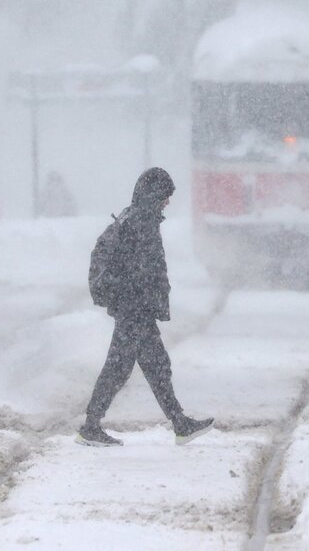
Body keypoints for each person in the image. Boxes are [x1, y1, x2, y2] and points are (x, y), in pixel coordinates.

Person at [77, 168, 213, 446]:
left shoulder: (137, 218)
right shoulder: (141, 222)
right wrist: (145, 299)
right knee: (120, 367)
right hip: (134, 309)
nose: (168, 202)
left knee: (155, 365)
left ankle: (180, 423)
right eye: (165, 196)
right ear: (154, 195)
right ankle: (91, 426)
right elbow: (140, 269)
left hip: (136, 308)